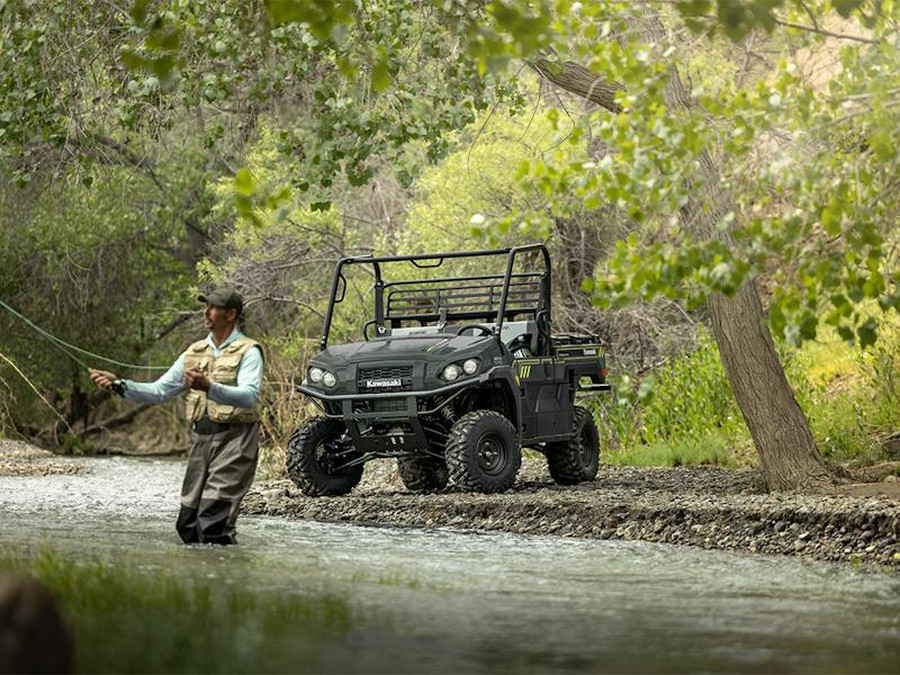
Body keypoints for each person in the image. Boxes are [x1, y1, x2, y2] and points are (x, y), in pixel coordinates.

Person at [89, 287, 264, 545]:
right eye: (206, 306)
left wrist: (209, 387)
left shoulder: (249, 351)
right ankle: (199, 581)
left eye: (213, 307)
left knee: (213, 524)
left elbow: (249, 396)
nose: (206, 312)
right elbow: (159, 391)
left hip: (236, 442)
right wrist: (120, 385)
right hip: (201, 442)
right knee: (188, 526)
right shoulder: (193, 352)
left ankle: (225, 580)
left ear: (231, 314)